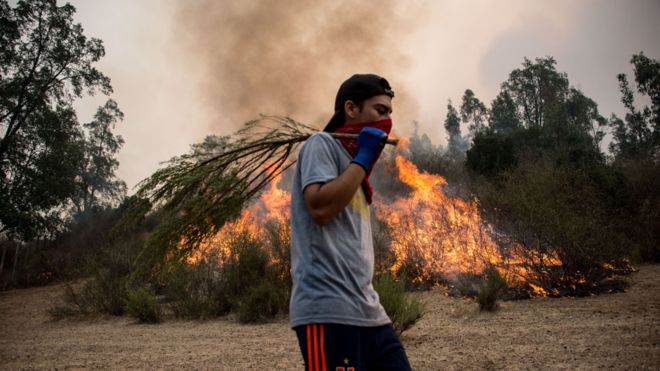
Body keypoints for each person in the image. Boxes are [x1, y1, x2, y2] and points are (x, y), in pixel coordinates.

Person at [290, 74, 412, 371]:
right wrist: (365, 158)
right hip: (327, 310)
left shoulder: (355, 166)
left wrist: (362, 161)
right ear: (351, 109)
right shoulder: (321, 145)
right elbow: (319, 207)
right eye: (380, 111)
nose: (387, 121)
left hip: (369, 309)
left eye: (389, 114)